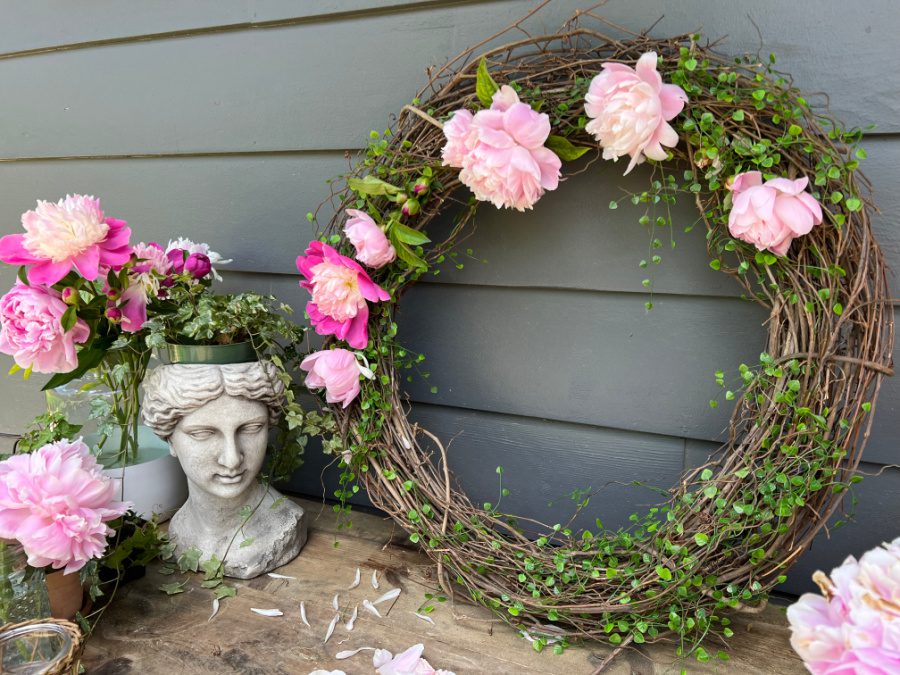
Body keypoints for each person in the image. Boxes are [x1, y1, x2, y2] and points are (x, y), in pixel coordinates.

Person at [142, 361, 306, 578]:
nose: (232, 460)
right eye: (203, 434)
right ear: (170, 439)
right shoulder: (180, 528)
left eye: (251, 429)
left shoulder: (285, 522)